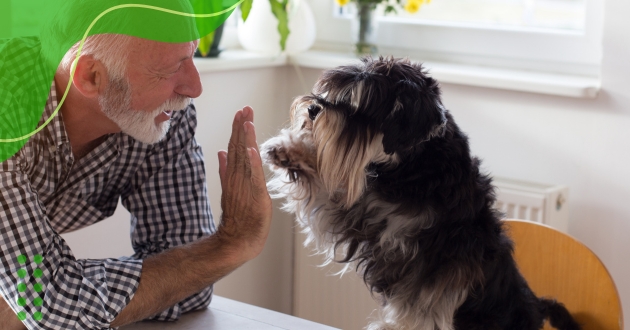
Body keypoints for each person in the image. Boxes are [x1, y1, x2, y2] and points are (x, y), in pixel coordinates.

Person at [0, 32, 273, 329]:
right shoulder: (6, 110)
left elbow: (193, 286)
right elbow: (52, 305)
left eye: (191, 55)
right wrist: (227, 247)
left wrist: (224, 249)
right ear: (91, 76)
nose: (194, 88)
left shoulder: (162, 116)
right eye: (169, 69)